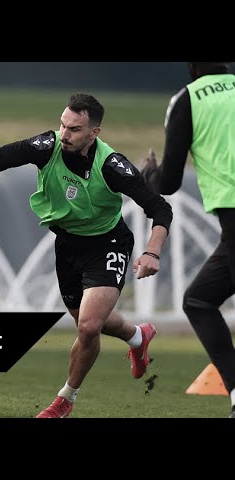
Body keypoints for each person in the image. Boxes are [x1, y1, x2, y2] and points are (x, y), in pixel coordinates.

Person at [0, 92, 173, 418]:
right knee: (89, 320)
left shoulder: (112, 166)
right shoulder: (48, 146)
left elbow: (160, 208)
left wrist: (152, 252)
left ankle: (64, 400)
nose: (64, 134)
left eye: (74, 129)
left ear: (94, 133)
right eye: (63, 125)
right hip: (67, 246)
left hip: (107, 244)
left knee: (88, 327)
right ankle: (138, 337)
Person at [140, 62, 235, 418]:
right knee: (199, 299)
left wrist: (149, 173)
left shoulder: (188, 99)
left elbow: (169, 182)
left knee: (199, 302)